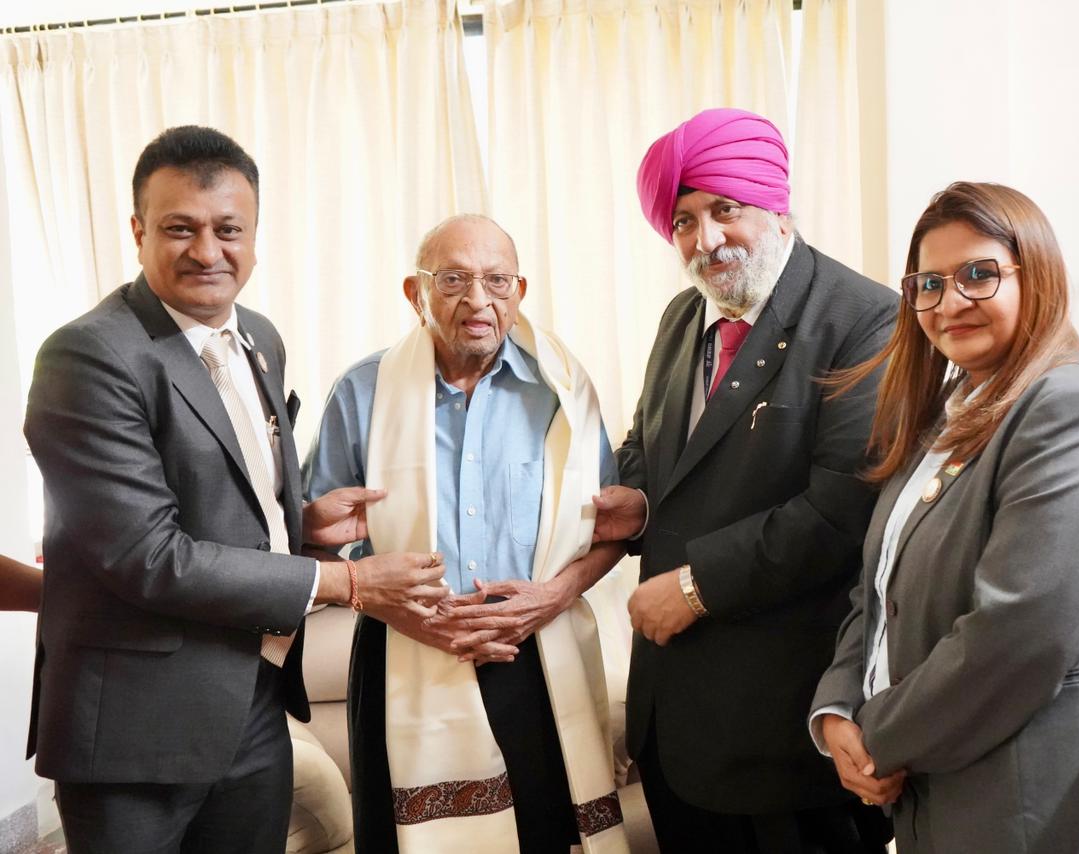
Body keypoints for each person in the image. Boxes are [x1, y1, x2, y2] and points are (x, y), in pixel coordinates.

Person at [24, 125, 446, 854]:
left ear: (254, 235)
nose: (207, 251)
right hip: (133, 728)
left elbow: (221, 494)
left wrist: (301, 526)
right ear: (138, 231)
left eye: (228, 230)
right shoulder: (88, 356)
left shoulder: (258, 335)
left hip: (254, 703)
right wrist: (345, 581)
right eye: (179, 229)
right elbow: (147, 555)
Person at [809, 181, 1079, 853]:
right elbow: (877, 589)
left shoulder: (1073, 407)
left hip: (1035, 807)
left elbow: (1018, 637)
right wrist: (837, 709)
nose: (950, 302)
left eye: (978, 275)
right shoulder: (948, 410)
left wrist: (876, 735)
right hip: (942, 790)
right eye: (928, 284)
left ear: (1035, 275)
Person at [591, 108, 896, 852]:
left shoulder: (865, 320)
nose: (705, 239)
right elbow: (651, 443)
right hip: (672, 718)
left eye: (724, 210)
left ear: (776, 206)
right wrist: (635, 498)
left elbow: (841, 511)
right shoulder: (681, 316)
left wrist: (697, 587)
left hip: (785, 730)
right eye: (684, 221)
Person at [304, 214, 630, 853]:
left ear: (520, 290)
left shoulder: (563, 391)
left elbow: (609, 529)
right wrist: (391, 603)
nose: (478, 300)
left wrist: (551, 597)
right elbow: (317, 546)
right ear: (415, 292)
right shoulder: (362, 392)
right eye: (453, 279)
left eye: (496, 280)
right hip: (400, 647)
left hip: (532, 652)